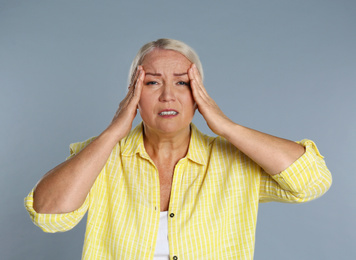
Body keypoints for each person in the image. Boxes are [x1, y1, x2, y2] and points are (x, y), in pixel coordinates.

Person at [25, 38, 332, 259]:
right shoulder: (101, 156)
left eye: (182, 83)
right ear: (133, 94)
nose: (168, 96)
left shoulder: (235, 161)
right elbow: (49, 216)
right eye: (152, 83)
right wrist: (112, 133)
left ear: (199, 95)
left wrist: (227, 127)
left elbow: (312, 181)